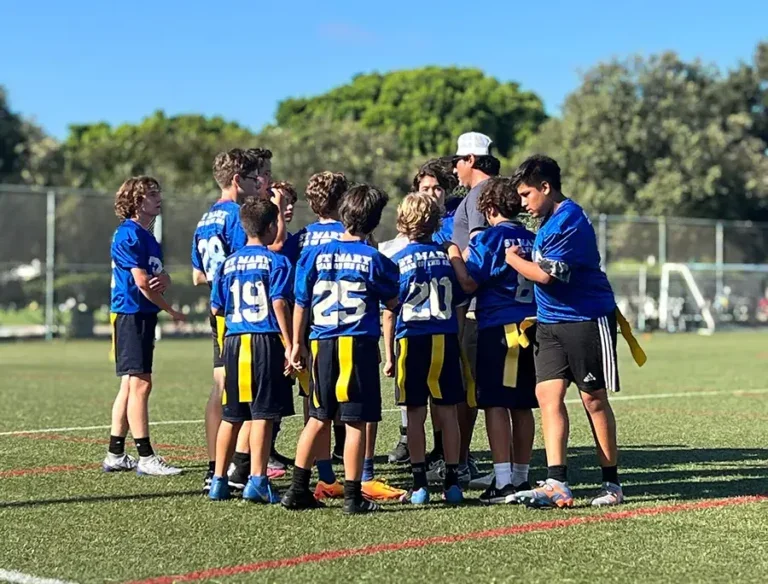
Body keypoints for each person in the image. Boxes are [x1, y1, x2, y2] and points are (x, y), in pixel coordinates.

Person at [504, 155, 646, 508]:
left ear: (546, 187)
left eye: (526, 195)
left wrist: (514, 259)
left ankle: (612, 484)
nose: (523, 204)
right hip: (550, 323)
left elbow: (548, 276)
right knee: (547, 397)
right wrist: (528, 254)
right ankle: (557, 482)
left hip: (586, 319)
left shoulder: (571, 220)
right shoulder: (549, 221)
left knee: (592, 399)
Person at [282, 185, 400, 514]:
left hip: (321, 343)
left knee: (318, 418)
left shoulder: (314, 254)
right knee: (354, 421)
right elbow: (393, 299)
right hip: (357, 343)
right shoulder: (374, 258)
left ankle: (296, 490)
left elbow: (301, 303)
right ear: (374, 222)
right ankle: (352, 496)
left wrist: (296, 344)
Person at [446, 177, 537, 504]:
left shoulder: (492, 238)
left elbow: (469, 283)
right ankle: (521, 477)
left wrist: (454, 254)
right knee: (523, 404)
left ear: (490, 208)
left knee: (495, 403)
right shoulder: (532, 237)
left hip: (498, 328)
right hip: (529, 327)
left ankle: (503, 482)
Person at [208, 198, 295, 502]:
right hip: (265, 340)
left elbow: (216, 308)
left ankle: (218, 479)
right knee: (262, 415)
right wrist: (290, 344)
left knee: (232, 416)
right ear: (272, 226)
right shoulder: (278, 261)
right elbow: (279, 303)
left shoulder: (228, 262)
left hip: (234, 341)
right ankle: (257, 480)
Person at [192, 148, 266, 493]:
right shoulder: (236, 216)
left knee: (221, 385)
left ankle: (215, 467)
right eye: (253, 179)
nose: (257, 185)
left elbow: (197, 274)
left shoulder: (205, 218)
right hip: (241, 312)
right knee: (246, 390)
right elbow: (249, 256)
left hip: (216, 306)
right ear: (237, 180)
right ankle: (240, 467)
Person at [383, 193, 464, 505]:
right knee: (448, 413)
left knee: (414, 414)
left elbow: (390, 311)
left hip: (411, 340)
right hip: (443, 338)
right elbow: (458, 303)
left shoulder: (396, 261)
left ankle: (419, 485)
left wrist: (389, 355)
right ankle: (453, 481)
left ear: (403, 222)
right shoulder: (447, 258)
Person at [103, 176, 186, 476]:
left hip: (142, 313)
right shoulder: (128, 234)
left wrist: (167, 280)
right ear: (137, 201)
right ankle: (146, 457)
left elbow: (158, 276)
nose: (158, 198)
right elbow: (141, 283)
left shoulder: (148, 237)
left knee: (130, 384)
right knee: (141, 384)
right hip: (130, 313)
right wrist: (172, 310)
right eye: (152, 194)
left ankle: (115, 453)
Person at [447, 132, 501, 488]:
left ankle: (463, 461)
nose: (454, 168)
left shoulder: (480, 195)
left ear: (471, 159)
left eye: (458, 160)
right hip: (492, 305)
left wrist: (452, 258)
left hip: (477, 306)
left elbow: (480, 249)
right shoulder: (492, 190)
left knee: (473, 390)